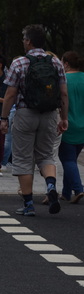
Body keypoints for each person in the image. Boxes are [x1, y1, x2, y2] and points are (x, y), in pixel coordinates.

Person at [0, 24, 69, 217]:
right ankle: (50, 185)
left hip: (25, 114)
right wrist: (63, 118)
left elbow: (10, 94)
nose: (23, 42)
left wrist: (4, 118)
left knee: (23, 158)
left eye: (24, 39)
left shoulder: (19, 63)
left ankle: (29, 204)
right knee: (46, 155)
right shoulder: (55, 62)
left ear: (29, 41)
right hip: (49, 114)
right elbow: (63, 93)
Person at [57, 51, 84, 203]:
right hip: (82, 126)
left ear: (66, 64)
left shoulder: (64, 80)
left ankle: (78, 188)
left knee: (67, 159)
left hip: (67, 123)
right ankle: (66, 192)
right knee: (72, 159)